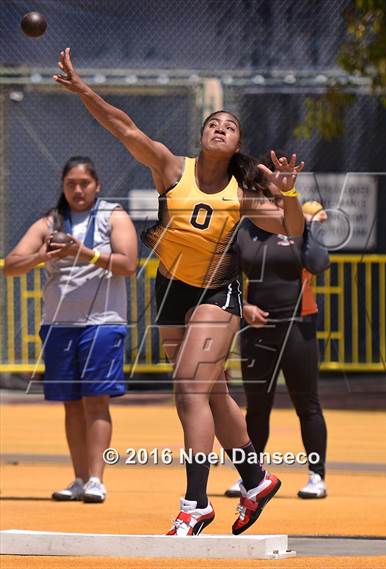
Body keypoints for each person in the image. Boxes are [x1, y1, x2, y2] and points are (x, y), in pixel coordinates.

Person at [52, 47, 305, 534]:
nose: (220, 128)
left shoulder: (243, 194)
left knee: (189, 387)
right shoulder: (172, 168)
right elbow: (123, 127)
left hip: (217, 294)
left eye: (229, 126)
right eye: (214, 122)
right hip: (171, 288)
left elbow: (292, 227)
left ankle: (196, 503)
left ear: (236, 146)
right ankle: (255, 479)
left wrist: (288, 191)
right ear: (202, 134)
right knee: (212, 394)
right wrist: (84, 89)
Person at [3, 156, 138, 503]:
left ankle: (96, 479)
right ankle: (78, 478)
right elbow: (12, 265)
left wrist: (86, 253)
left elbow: (128, 264)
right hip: (59, 325)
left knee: (96, 402)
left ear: (97, 185)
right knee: (71, 405)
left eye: (84, 183)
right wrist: (42, 256)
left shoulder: (113, 215)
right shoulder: (51, 221)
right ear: (63, 186)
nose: (77, 190)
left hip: (102, 324)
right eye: (71, 184)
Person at [224, 150, 329, 500]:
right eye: (259, 189)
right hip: (258, 328)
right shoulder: (245, 232)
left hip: (299, 325)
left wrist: (310, 226)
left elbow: (319, 263)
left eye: (270, 189)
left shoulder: (296, 223)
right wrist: (245, 307)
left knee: (307, 402)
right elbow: (227, 280)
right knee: (257, 403)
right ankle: (252, 475)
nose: (265, 195)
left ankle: (316, 474)